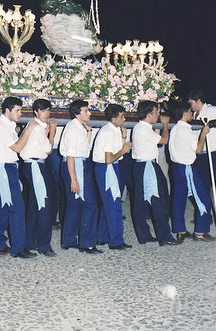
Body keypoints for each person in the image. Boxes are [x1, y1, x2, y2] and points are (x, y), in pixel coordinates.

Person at [0, 96, 38, 259]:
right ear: (7, 110)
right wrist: (29, 130)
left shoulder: (8, 125)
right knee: (16, 208)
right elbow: (17, 147)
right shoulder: (0, 126)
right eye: (17, 110)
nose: (20, 113)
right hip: (3, 168)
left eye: (21, 110)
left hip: (7, 167)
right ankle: (18, 248)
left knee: (4, 207)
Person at [131, 100, 181, 246]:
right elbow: (164, 140)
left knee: (140, 203)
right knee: (159, 200)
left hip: (140, 166)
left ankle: (144, 235)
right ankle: (165, 237)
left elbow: (154, 141)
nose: (158, 114)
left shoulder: (139, 128)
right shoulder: (145, 129)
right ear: (149, 113)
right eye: (156, 112)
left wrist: (158, 128)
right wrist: (165, 125)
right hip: (148, 167)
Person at [59, 99, 102, 254]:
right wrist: (74, 180)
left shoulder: (78, 127)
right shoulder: (74, 129)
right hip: (75, 167)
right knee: (90, 204)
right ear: (77, 113)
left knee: (74, 204)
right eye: (86, 111)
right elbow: (71, 156)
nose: (89, 113)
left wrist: (88, 133)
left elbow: (83, 150)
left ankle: (68, 240)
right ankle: (87, 243)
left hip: (77, 164)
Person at [168, 100, 215, 241]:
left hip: (176, 167)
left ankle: (180, 230)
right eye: (190, 112)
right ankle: (200, 231)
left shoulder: (175, 128)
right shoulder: (186, 131)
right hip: (188, 167)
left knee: (179, 198)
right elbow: (199, 150)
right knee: (203, 197)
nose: (192, 114)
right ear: (184, 114)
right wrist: (203, 133)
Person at [20, 99, 57, 257]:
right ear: (36, 112)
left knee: (35, 205)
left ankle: (31, 242)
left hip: (33, 165)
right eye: (43, 110)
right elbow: (48, 149)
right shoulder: (37, 128)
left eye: (48, 110)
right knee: (45, 205)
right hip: (36, 166)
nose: (46, 113)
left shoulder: (35, 125)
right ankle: (44, 245)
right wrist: (52, 133)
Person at [92, 103, 132, 250]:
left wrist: (123, 137)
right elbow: (109, 158)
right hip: (106, 168)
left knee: (107, 203)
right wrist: (124, 149)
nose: (124, 119)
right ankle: (116, 241)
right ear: (113, 118)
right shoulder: (108, 132)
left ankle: (101, 236)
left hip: (112, 167)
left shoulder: (114, 130)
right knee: (114, 204)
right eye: (121, 116)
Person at [188, 88, 216, 183]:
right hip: (199, 153)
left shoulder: (212, 110)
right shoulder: (193, 114)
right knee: (202, 182)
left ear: (198, 101)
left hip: (212, 152)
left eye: (191, 103)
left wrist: (211, 123)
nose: (190, 105)